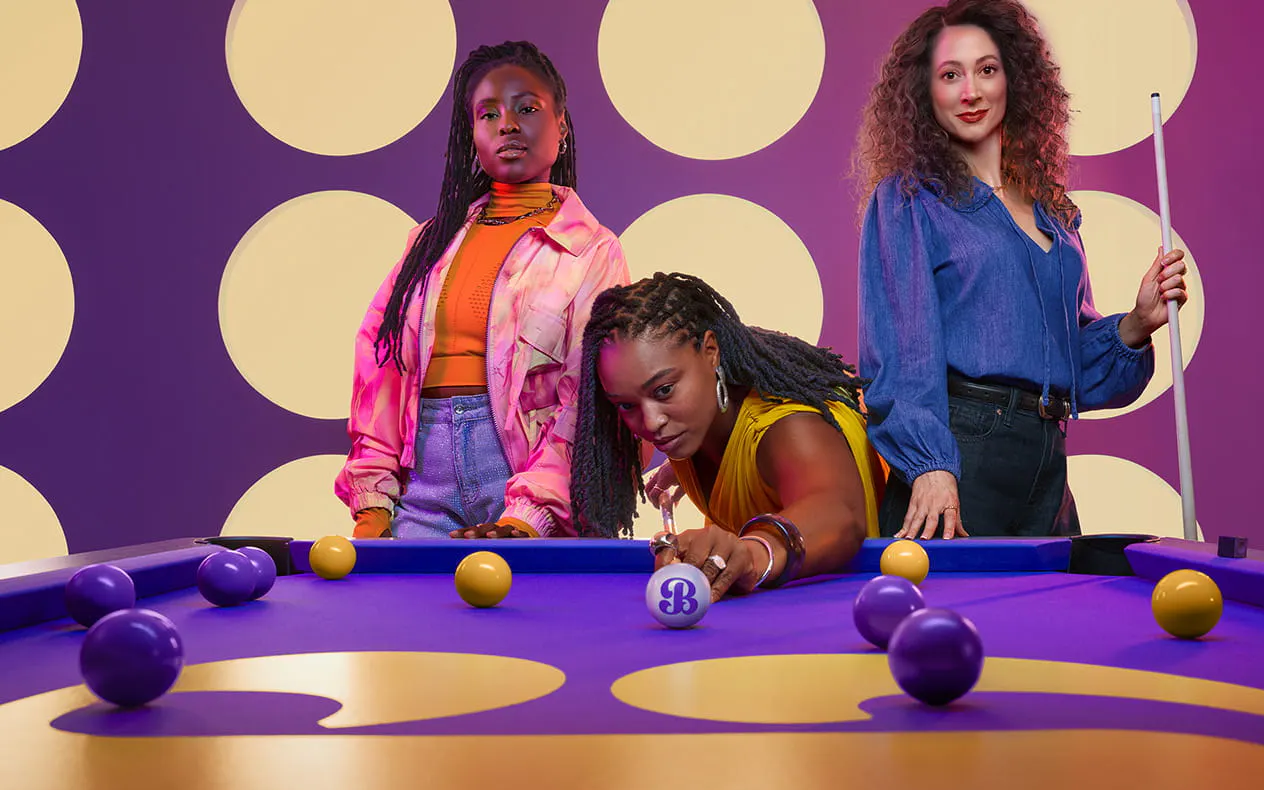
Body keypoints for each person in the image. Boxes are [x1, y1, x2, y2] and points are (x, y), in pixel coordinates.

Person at [854, 0, 1189, 541]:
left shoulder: (1053, 215)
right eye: (949, 75)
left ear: (1014, 79)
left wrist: (1136, 324)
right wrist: (931, 465)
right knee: (950, 622)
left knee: (1050, 621)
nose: (971, 92)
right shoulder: (911, 201)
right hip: (962, 455)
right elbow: (900, 354)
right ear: (924, 92)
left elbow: (1069, 362)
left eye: (987, 69)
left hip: (1047, 461)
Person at [335, 41, 629, 540]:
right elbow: (380, 366)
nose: (507, 125)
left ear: (561, 124)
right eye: (487, 114)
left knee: (529, 619)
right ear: (472, 135)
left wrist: (529, 516)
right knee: (404, 617)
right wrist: (373, 500)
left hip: (525, 484)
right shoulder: (430, 243)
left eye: (527, 108)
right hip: (422, 486)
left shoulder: (592, 251)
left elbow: (587, 400)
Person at [569, 272, 884, 602]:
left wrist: (753, 553)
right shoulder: (698, 427)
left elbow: (838, 512)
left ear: (711, 352)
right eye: (626, 405)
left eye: (664, 390)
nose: (651, 422)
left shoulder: (789, 427)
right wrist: (682, 466)